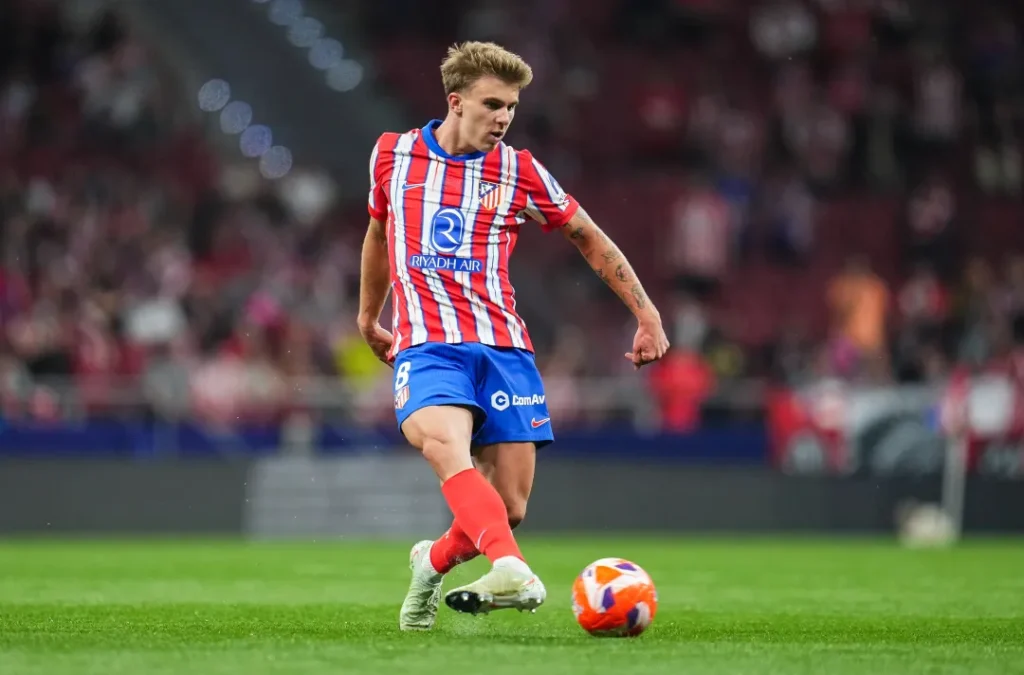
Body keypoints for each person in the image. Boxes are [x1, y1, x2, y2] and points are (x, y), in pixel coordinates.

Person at [357, 41, 670, 631]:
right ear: (456, 101)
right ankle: (512, 569)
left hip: (503, 347)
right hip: (427, 344)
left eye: (512, 108)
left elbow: (588, 236)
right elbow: (378, 234)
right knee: (446, 446)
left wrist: (647, 314)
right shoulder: (391, 156)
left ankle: (433, 559)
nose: (503, 118)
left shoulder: (518, 169)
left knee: (509, 507)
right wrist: (368, 316)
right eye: (492, 104)